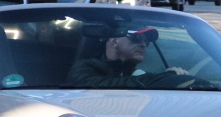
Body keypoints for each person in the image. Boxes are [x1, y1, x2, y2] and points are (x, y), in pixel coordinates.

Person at [66, 26, 197, 89]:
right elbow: (96, 86)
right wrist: (157, 80)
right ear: (114, 41)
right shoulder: (85, 67)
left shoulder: (136, 74)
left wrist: (174, 78)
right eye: (136, 38)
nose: (143, 44)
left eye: (146, 41)